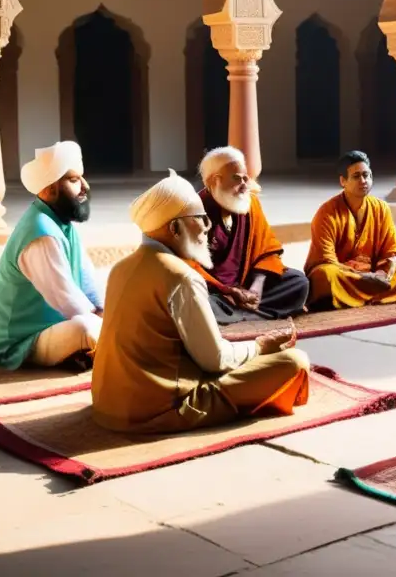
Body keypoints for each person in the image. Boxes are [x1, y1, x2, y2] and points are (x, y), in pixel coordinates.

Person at [92, 171, 311, 434]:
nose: (208, 227)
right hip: (159, 409)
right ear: (174, 228)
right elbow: (215, 360)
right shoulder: (181, 276)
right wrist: (259, 346)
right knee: (294, 362)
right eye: (200, 219)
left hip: (107, 405)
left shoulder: (121, 268)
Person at [0, 141, 104, 370]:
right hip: (23, 343)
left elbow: (87, 278)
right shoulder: (40, 232)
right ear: (50, 189)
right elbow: (66, 298)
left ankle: (83, 352)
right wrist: (108, 323)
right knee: (86, 328)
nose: (85, 186)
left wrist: (105, 309)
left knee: (113, 316)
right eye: (73, 180)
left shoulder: (62, 224)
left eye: (82, 178)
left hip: (56, 326)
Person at [186, 147, 309, 324]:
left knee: (298, 282)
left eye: (246, 178)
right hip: (214, 290)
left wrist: (256, 286)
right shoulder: (193, 212)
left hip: (246, 283)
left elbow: (266, 249)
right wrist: (228, 291)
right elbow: (186, 266)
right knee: (195, 299)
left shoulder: (250, 204)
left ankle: (238, 314)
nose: (244, 185)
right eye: (236, 178)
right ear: (214, 181)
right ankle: (245, 313)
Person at [304, 150, 396, 309]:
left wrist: (386, 272)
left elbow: (393, 247)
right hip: (345, 274)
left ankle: (364, 295)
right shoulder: (327, 213)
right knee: (326, 276)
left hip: (375, 272)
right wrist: (363, 277)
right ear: (343, 181)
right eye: (356, 176)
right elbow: (327, 259)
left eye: (367, 175)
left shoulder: (381, 208)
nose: (363, 181)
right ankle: (379, 293)